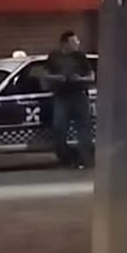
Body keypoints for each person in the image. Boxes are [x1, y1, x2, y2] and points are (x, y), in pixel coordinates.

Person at [45, 31, 95, 169]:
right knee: (59, 127)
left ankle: (85, 159)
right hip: (62, 97)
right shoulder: (54, 56)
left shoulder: (80, 57)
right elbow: (45, 74)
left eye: (77, 41)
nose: (77, 43)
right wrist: (58, 78)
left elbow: (92, 76)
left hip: (79, 96)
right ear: (65, 43)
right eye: (74, 42)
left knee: (84, 129)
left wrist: (80, 79)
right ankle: (66, 158)